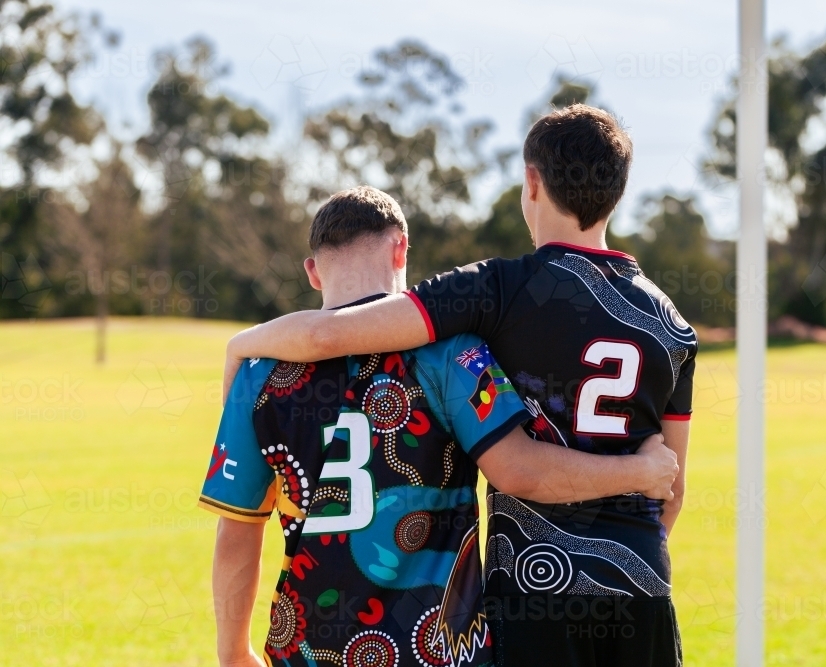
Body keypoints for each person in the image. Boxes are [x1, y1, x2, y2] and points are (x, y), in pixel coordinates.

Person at [223, 105, 696, 666]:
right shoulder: (672, 326)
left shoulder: (495, 290)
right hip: (639, 587)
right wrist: (635, 494)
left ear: (532, 182)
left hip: (532, 592)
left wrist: (242, 345)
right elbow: (671, 488)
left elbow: (331, 334)